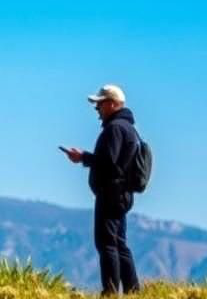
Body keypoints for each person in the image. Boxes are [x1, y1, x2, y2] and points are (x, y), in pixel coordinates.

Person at [63, 84, 141, 295]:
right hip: (121, 194)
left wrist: (83, 158)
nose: (97, 109)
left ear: (113, 104)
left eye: (100, 104)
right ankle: (133, 291)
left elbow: (108, 163)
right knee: (119, 244)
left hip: (111, 194)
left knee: (106, 244)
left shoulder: (115, 129)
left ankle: (110, 292)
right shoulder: (129, 129)